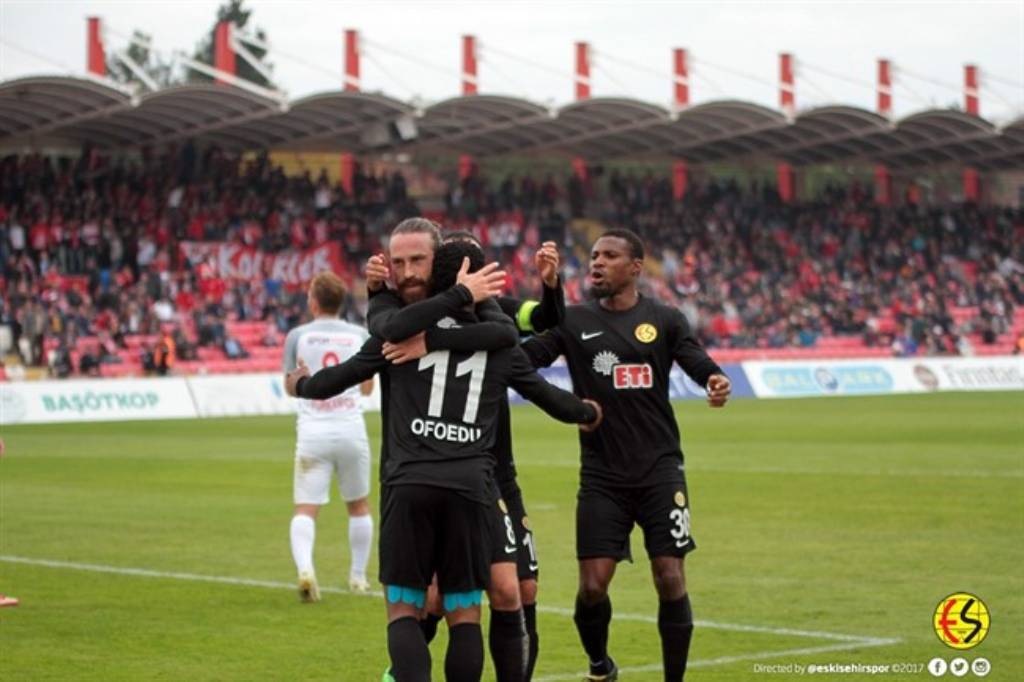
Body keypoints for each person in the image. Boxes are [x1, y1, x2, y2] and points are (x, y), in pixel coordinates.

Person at [287, 239, 602, 682]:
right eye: (400, 262)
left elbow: (339, 377)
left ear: (436, 269)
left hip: (427, 480)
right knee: (461, 611)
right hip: (469, 482)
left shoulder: (404, 330)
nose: (407, 271)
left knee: (417, 606)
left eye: (417, 261)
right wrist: (587, 412)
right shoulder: (486, 332)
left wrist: (301, 385)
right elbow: (537, 378)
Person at [522, 228, 732, 682]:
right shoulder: (572, 321)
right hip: (602, 476)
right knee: (592, 587)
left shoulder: (666, 319)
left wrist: (715, 379)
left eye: (609, 256)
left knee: (670, 576)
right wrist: (567, 405)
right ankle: (601, 665)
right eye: (594, 255)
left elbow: (696, 361)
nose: (596, 262)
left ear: (635, 267)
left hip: (661, 470)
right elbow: (523, 362)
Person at [377, 230, 564, 680]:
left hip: (494, 474)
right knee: (435, 599)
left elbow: (544, 319)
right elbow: (382, 325)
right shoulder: (408, 313)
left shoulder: (494, 309)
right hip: (425, 466)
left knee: (517, 588)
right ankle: (402, 671)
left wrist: (551, 285)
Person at [281, 271, 375, 600]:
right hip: (350, 429)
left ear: (314, 302)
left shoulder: (298, 336)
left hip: (313, 432)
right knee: (359, 506)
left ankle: (306, 571)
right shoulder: (359, 335)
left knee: (305, 509)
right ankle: (358, 577)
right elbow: (367, 389)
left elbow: (290, 387)